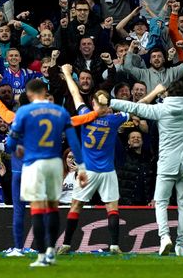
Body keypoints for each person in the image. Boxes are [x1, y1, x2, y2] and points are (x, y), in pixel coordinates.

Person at [109, 54, 183, 256]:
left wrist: (111, 102)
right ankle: (180, 245)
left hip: (167, 164)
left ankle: (164, 237)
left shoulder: (161, 109)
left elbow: (135, 107)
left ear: (168, 94)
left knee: (160, 202)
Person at [7, 78, 87, 267]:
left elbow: (11, 143)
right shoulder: (61, 112)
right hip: (54, 163)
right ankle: (51, 251)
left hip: (33, 164)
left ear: (28, 94)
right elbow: (73, 142)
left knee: (37, 207)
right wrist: (82, 167)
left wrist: (18, 147)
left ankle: (42, 256)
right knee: (52, 207)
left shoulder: (24, 112)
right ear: (46, 91)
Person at [58, 64, 129, 255]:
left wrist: (66, 73)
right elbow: (138, 107)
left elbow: (75, 94)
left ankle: (65, 244)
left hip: (87, 170)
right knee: (112, 208)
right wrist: (154, 92)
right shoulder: (115, 119)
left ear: (94, 104)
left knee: (76, 205)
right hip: (107, 170)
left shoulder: (85, 115)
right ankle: (114, 245)